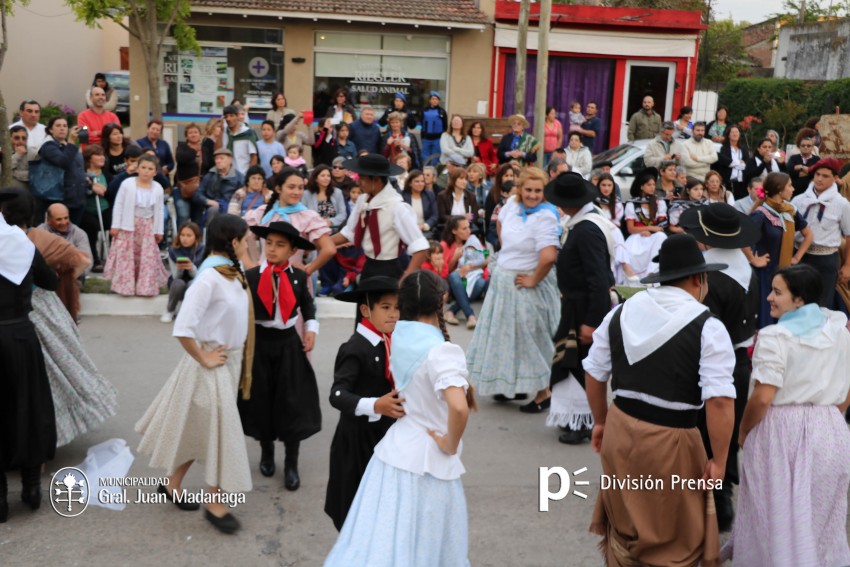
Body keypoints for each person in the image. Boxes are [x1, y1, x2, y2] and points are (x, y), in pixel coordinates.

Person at [584, 233, 735, 565]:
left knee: (626, 525)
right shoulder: (707, 327)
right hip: (673, 439)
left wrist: (601, 421)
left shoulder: (621, 313)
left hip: (621, 428)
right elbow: (720, 401)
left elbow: (595, 373)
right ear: (699, 278)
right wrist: (720, 460)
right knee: (676, 537)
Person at [324, 270, 475, 567]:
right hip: (428, 460)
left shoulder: (401, 339)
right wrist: (449, 443)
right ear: (442, 300)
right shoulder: (439, 350)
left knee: (384, 537)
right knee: (426, 542)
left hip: (393, 452)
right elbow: (458, 408)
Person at [722, 264, 850, 564]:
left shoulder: (775, 337)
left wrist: (743, 431)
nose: (769, 297)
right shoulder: (839, 332)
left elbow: (764, 395)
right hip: (830, 428)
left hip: (781, 431)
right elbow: (846, 391)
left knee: (774, 513)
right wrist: (827, 412)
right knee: (821, 517)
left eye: (777, 292)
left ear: (799, 300)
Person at [136, 214, 253, 534]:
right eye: (246, 239)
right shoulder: (210, 277)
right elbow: (183, 327)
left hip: (229, 362)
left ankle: (172, 483)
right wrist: (204, 357)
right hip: (210, 363)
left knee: (196, 429)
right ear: (232, 242)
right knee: (220, 433)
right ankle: (215, 504)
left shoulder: (231, 270)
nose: (249, 243)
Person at [3, 189, 117, 446]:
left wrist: (65, 280)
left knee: (43, 377)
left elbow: (79, 260)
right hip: (33, 314)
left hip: (35, 316)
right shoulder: (30, 240)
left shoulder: (36, 240)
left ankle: (34, 443)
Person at [679, 203, 761, 532]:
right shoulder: (744, 266)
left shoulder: (711, 276)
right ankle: (722, 490)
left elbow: (700, 325)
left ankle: (713, 496)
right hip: (740, 361)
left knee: (705, 428)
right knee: (725, 429)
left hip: (713, 361)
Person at [237, 221, 322, 491]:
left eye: (280, 245)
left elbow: (309, 307)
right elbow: (238, 312)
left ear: (293, 250)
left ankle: (292, 463)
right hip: (260, 347)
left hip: (289, 346)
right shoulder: (251, 277)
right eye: (269, 243)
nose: (272, 249)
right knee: (262, 400)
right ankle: (266, 452)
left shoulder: (299, 276)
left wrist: (310, 330)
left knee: (291, 403)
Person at [467, 167, 560, 403]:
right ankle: (510, 384)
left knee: (530, 338)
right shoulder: (510, 206)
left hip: (526, 283)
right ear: (520, 189)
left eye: (538, 191)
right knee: (504, 338)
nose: (532, 195)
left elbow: (549, 256)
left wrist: (532, 278)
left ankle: (543, 392)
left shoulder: (546, 215)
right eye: (528, 190)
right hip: (504, 281)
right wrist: (506, 257)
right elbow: (500, 230)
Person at [324, 276, 401, 531]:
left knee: (381, 505)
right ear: (366, 310)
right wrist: (375, 405)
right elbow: (337, 394)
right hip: (356, 440)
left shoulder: (390, 340)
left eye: (397, 307)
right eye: (386, 307)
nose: (393, 314)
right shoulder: (355, 348)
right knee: (354, 506)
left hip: (384, 435)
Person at [0, 191, 58, 524]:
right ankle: (31, 486)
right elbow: (50, 281)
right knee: (28, 407)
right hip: (20, 336)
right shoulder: (22, 245)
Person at [544, 173, 615, 442]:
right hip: (575, 304)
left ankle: (583, 421)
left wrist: (591, 321)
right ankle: (574, 419)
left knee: (580, 365)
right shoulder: (581, 223)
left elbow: (598, 280)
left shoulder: (587, 230)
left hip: (585, 307)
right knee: (570, 360)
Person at [333, 154, 428, 281]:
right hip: (369, 266)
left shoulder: (397, 207)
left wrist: (406, 278)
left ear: (376, 180)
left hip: (392, 269)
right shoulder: (363, 200)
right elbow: (349, 232)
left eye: (362, 178)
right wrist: (318, 243)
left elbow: (420, 247)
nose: (358, 181)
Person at [243, 167, 336, 282]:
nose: (296, 192)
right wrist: (249, 265)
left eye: (301, 188)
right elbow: (237, 235)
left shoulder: (308, 216)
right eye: (291, 187)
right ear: (278, 188)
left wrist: (308, 270)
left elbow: (329, 249)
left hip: (293, 282)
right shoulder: (263, 212)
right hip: (263, 278)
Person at [749, 172, 813, 328]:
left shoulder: (789, 211)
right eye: (790, 185)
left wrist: (797, 258)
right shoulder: (761, 214)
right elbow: (742, 238)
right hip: (765, 274)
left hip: (784, 273)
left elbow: (809, 235)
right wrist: (753, 259)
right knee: (766, 316)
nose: (793, 189)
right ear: (779, 189)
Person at [104, 154, 169, 296]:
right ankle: (125, 287)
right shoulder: (127, 184)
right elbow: (119, 204)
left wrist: (159, 231)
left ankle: (145, 287)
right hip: (128, 225)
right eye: (143, 167)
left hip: (147, 227)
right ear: (137, 169)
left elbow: (158, 210)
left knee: (146, 256)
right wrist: (115, 225)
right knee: (127, 256)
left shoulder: (157, 188)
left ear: (155, 172)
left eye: (150, 168)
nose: (146, 171)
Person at [791, 158, 850, 308]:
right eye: (817, 174)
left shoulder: (842, 204)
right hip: (799, 255)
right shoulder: (798, 200)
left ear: (836, 178)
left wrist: (848, 265)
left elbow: (849, 235)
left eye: (825, 176)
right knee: (796, 300)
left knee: (822, 304)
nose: (819, 179)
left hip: (826, 259)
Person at [37, 117, 87, 225]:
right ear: (50, 129)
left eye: (65, 126)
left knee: (73, 233)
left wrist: (85, 177)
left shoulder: (70, 146)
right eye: (58, 126)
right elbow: (63, 162)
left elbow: (78, 167)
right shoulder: (48, 146)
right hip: (60, 199)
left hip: (78, 198)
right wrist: (72, 142)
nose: (62, 128)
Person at [442, 215, 489, 330]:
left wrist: (470, 266)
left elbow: (486, 259)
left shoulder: (472, 240)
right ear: (454, 231)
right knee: (454, 276)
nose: (468, 231)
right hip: (454, 283)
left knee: (481, 283)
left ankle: (451, 312)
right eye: (464, 229)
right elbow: (444, 272)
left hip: (471, 279)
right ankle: (470, 315)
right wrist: (455, 258)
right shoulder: (445, 245)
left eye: (469, 227)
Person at [624, 168, 667, 278]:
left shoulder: (659, 202)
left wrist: (651, 231)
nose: (652, 187)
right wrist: (647, 229)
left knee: (661, 236)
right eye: (649, 185)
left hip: (654, 238)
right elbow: (630, 228)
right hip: (637, 237)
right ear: (642, 186)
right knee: (631, 253)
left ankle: (652, 273)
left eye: (654, 184)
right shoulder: (632, 204)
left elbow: (662, 226)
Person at [161, 221, 205, 323]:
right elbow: (176, 276)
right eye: (182, 235)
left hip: (194, 281)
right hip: (177, 283)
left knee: (193, 283)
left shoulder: (202, 250)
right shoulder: (173, 250)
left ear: (196, 237)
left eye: (189, 235)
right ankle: (170, 310)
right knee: (178, 283)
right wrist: (180, 268)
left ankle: (189, 312)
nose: (185, 238)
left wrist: (191, 267)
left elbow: (199, 276)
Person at [193, 148, 245, 229]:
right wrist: (209, 201)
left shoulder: (239, 177)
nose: (218, 161)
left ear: (230, 160)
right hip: (213, 208)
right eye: (216, 159)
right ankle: (211, 239)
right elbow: (197, 195)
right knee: (212, 210)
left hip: (232, 208)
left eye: (221, 158)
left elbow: (244, 195)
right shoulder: (209, 176)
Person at [39, 203, 94, 276]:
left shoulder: (79, 233)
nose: (63, 222)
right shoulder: (40, 232)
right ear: (49, 220)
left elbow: (88, 260)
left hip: (74, 275)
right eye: (59, 219)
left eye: (66, 218)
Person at [80, 145, 111, 272]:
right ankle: (95, 260)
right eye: (97, 155)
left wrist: (104, 190)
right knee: (91, 227)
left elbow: (112, 192)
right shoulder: (82, 174)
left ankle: (114, 259)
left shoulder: (107, 175)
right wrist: (91, 188)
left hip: (105, 208)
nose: (102, 157)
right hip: (88, 210)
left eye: (102, 154)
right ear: (89, 158)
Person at [174, 123, 207, 227]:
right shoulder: (182, 147)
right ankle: (180, 241)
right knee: (183, 215)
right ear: (186, 135)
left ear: (200, 134)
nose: (193, 134)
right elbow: (180, 158)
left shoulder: (205, 150)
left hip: (199, 189)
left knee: (197, 218)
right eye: (190, 132)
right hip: (182, 188)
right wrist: (194, 150)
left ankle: (196, 242)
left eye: (196, 132)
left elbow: (209, 165)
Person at [483, 163, 519, 250]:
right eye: (506, 176)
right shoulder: (493, 193)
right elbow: (489, 219)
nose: (509, 178)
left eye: (511, 175)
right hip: (494, 231)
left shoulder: (517, 193)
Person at [303, 165, 348, 232]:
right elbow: (303, 214)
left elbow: (342, 214)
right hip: (312, 230)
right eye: (323, 176)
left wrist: (330, 222)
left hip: (333, 230)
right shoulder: (306, 194)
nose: (326, 178)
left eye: (328, 176)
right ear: (315, 178)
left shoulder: (337, 192)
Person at [436, 168, 478, 237]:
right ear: (454, 180)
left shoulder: (471, 196)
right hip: (448, 230)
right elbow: (442, 216)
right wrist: (461, 218)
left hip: (466, 230)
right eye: (461, 178)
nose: (464, 182)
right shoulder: (442, 196)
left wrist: (471, 217)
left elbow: (475, 216)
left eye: (466, 179)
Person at [714, 124, 749, 200]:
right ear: (728, 135)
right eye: (732, 132)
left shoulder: (743, 149)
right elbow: (725, 161)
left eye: (736, 132)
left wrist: (733, 163)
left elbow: (746, 165)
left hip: (740, 183)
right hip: (727, 181)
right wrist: (738, 162)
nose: (735, 134)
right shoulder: (723, 148)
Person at [401, 169, 438, 240]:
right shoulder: (402, 196)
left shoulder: (429, 195)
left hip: (425, 231)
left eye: (422, 181)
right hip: (408, 231)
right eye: (417, 181)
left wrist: (424, 226)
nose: (420, 184)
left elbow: (434, 215)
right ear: (410, 183)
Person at [220, 105, 258, 174]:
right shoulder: (225, 133)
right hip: (227, 175)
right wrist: (221, 131)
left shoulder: (248, 133)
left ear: (237, 116)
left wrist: (249, 176)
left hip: (243, 175)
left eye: (231, 116)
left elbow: (254, 157)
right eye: (226, 117)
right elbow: (217, 150)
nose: (228, 119)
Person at [787, 131, 820, 197]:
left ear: (812, 147)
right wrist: (809, 171)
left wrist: (801, 167)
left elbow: (816, 173)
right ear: (799, 147)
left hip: (811, 193)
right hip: (794, 193)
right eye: (803, 145)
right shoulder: (793, 158)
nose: (806, 147)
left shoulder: (817, 159)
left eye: (808, 145)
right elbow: (789, 172)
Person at [420, 91, 448, 167]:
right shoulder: (424, 110)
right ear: (429, 100)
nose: (434, 100)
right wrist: (422, 137)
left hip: (437, 139)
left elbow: (445, 126)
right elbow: (422, 125)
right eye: (433, 99)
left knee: (435, 158)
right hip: (426, 139)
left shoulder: (442, 111)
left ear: (438, 101)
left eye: (436, 99)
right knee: (425, 159)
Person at [7, 125, 29, 190]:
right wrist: (17, 155)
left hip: (26, 194)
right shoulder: (2, 152)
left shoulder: (33, 153)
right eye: (17, 138)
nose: (21, 141)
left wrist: (12, 173)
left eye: (24, 138)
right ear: (9, 138)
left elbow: (34, 174)